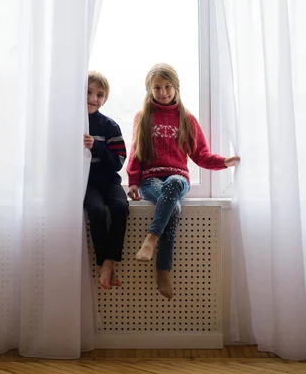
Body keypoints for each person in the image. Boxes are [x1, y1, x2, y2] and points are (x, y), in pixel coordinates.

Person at [127, 63, 240, 299]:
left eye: (168, 86)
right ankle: (163, 269)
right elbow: (136, 153)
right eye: (157, 87)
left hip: (178, 179)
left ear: (176, 87)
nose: (163, 92)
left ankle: (151, 239)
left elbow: (201, 155)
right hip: (151, 182)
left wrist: (224, 162)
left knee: (176, 182)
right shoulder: (143, 117)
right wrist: (134, 181)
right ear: (149, 90)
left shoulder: (187, 119)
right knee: (174, 208)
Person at [84, 71, 129, 290]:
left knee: (121, 207)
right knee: (97, 211)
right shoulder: (71, 123)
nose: (94, 98)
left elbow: (118, 162)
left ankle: (109, 261)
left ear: (105, 100)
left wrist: (97, 146)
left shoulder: (110, 126)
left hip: (109, 180)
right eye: (89, 92)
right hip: (87, 184)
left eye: (100, 95)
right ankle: (103, 262)